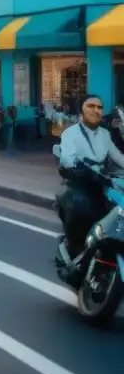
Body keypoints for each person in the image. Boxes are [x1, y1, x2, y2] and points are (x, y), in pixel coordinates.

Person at [57, 94, 124, 258]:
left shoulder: (104, 135)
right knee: (83, 208)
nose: (96, 111)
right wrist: (73, 164)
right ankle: (76, 252)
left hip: (101, 180)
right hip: (79, 180)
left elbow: (118, 157)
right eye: (91, 106)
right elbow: (67, 157)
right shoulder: (70, 133)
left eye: (100, 107)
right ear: (82, 111)